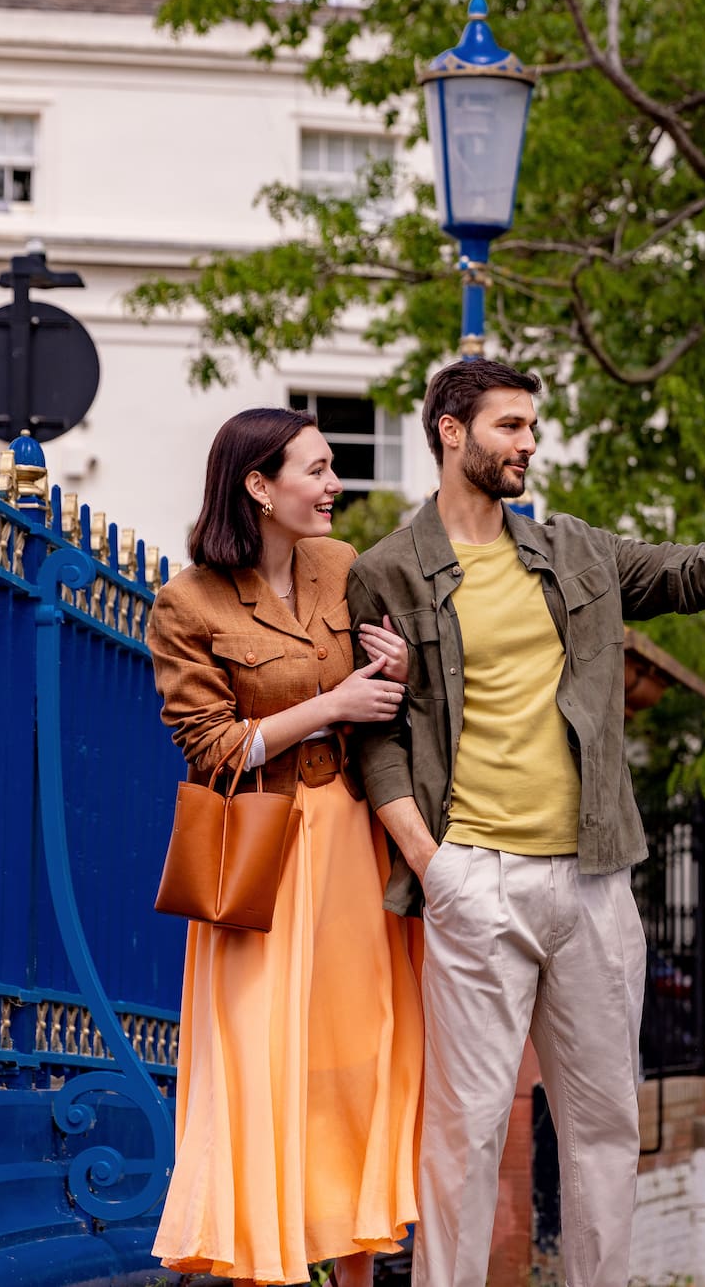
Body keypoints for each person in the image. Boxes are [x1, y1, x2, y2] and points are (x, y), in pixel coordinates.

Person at [346, 360, 705, 1287]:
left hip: (592, 881)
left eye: (532, 426)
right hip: (474, 877)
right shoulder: (385, 573)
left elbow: (698, 572)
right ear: (451, 432)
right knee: (464, 1129)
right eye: (508, 426)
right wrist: (435, 863)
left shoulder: (574, 551)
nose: (528, 444)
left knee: (605, 1128)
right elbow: (376, 741)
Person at [147, 406, 423, 1287]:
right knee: (263, 1069)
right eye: (316, 469)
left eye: (333, 467)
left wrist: (398, 674)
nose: (335, 485)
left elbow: (389, 697)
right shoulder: (186, 602)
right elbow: (212, 747)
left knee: (356, 1057)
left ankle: (357, 1266)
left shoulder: (343, 568)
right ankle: (263, 1265)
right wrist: (330, 706)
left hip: (351, 841)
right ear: (259, 487)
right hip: (262, 859)